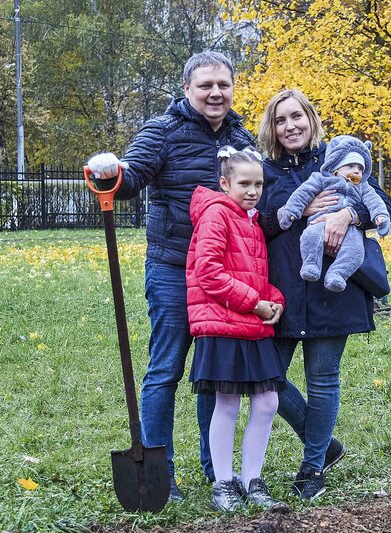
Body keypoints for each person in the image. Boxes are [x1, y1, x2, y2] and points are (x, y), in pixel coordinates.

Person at [85, 51, 255, 502]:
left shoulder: (242, 138)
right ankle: (161, 474)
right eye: (206, 85)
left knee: (213, 373)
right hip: (173, 268)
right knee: (165, 370)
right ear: (187, 89)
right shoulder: (162, 131)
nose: (216, 93)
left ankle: (215, 471)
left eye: (223, 84)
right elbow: (131, 176)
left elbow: (261, 196)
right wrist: (111, 174)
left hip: (221, 275)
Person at [256, 88, 391, 499]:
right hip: (283, 290)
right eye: (280, 120)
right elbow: (252, 222)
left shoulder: (337, 159)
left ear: (311, 119)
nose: (290, 126)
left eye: (297, 116)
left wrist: (347, 213)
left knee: (323, 379)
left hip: (334, 291)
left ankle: (313, 466)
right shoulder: (265, 171)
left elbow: (381, 201)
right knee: (267, 379)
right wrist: (298, 214)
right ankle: (323, 442)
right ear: (271, 128)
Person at [186, 147, 287, 511]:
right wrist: (254, 303)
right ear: (225, 183)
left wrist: (273, 299)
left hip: (251, 321)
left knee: (268, 401)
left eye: (258, 184)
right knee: (226, 403)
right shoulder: (216, 215)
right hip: (222, 323)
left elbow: (256, 276)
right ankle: (224, 483)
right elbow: (208, 272)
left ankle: (252, 480)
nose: (253, 190)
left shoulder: (252, 220)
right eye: (244, 183)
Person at [277, 134, 391, 291]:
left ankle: (337, 274)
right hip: (319, 222)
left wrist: (380, 216)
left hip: (351, 231)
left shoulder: (363, 187)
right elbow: (302, 194)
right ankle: (311, 265)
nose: (356, 171)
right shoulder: (321, 179)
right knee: (310, 237)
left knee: (355, 252)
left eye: (360, 168)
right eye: (350, 166)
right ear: (336, 166)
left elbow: (376, 202)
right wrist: (292, 211)